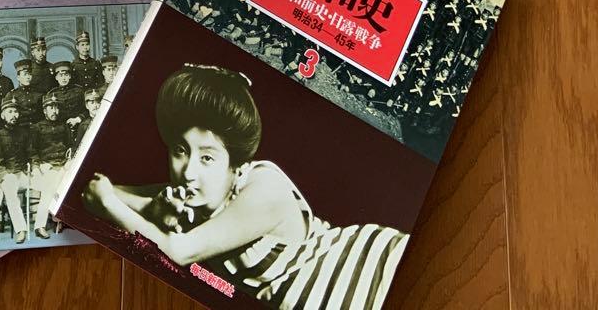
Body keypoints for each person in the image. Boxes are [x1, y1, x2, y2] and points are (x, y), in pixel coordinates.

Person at [82, 64, 407, 309]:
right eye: (180, 150)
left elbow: (177, 250)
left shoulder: (264, 185)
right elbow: (109, 191)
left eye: (207, 158)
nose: (189, 172)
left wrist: (109, 205)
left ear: (234, 162)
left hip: (370, 270)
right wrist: (143, 206)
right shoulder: (197, 196)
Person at [0, 94, 31, 243]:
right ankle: (21, 230)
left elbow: (30, 155)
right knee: (11, 192)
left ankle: (44, 224)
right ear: (3, 115)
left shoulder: (24, 133)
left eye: (16, 111)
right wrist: (5, 176)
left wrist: (31, 170)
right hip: (8, 176)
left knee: (45, 184)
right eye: (10, 112)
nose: (14, 115)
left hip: (23, 174)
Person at [29, 90, 71, 238]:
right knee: (51, 187)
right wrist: (36, 166)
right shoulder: (37, 127)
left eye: (56, 107)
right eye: (51, 108)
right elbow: (32, 151)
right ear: (45, 110)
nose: (54, 111)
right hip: (46, 166)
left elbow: (69, 145)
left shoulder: (63, 126)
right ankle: (40, 225)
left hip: (63, 164)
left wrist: (69, 158)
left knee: (68, 185)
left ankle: (59, 219)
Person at [6, 59, 43, 125]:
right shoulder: (12, 95)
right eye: (25, 74)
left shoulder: (39, 94)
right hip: (19, 128)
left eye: (30, 74)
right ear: (18, 77)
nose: (28, 77)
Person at [51, 61, 88, 127]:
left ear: (70, 76)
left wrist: (78, 119)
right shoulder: (52, 94)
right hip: (60, 127)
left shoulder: (79, 91)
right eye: (61, 75)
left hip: (79, 125)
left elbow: (87, 109)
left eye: (66, 75)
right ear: (56, 78)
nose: (63, 78)